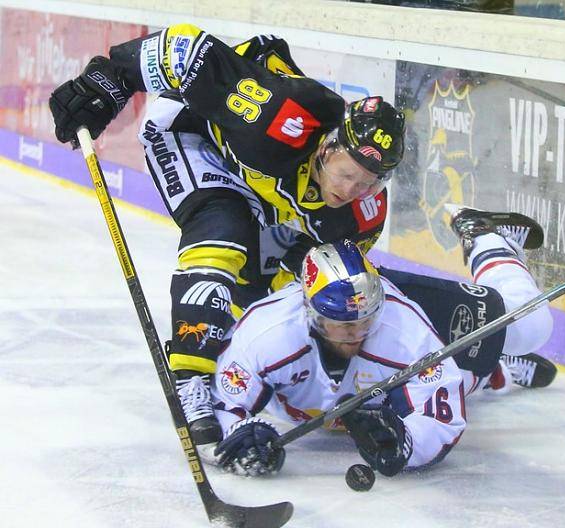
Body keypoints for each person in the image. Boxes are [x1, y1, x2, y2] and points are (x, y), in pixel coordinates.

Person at [48, 26, 406, 444]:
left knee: (264, 288)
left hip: (257, 180)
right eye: (346, 175)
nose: (352, 191)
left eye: (368, 184)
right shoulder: (275, 118)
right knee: (223, 229)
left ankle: (222, 356)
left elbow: (307, 289)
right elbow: (187, 50)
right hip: (190, 131)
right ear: (327, 148)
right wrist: (108, 82)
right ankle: (191, 380)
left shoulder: (361, 216)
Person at [207, 208, 556, 476]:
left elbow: (440, 417)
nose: (355, 333)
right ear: (311, 314)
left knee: (531, 326)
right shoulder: (267, 334)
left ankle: (485, 236)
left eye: (364, 322)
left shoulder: (404, 331)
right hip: (362, 357)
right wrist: (239, 432)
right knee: (457, 377)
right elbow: (223, 401)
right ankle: (496, 372)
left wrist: (407, 445)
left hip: (409, 306)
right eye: (342, 324)